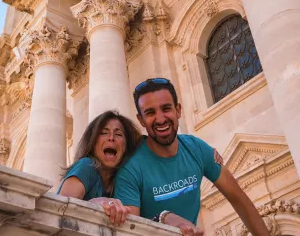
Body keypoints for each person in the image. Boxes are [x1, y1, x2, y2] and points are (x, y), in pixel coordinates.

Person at [113, 78, 271, 236]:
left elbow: (239, 199)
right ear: (141, 120)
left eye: (166, 108)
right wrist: (163, 218)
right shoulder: (130, 168)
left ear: (178, 110)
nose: (160, 119)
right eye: (150, 113)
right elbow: (128, 230)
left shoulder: (196, 149)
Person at [57, 110, 140, 226]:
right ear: (93, 142)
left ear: (126, 147)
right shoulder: (86, 166)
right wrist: (93, 203)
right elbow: (60, 208)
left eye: (118, 134)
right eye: (104, 133)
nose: (111, 138)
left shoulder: (123, 181)